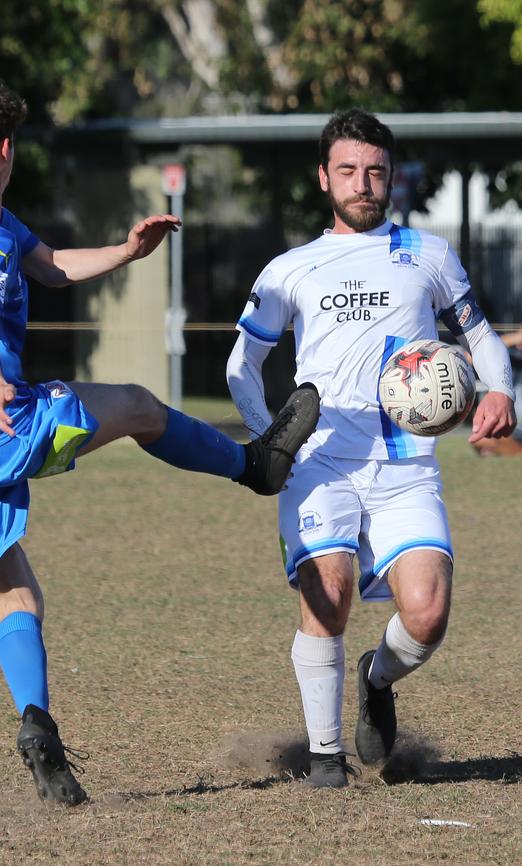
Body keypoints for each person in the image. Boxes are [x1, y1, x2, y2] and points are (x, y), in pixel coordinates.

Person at [0, 74, 321, 807]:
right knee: (140, 408)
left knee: (16, 593)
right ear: (9, 150)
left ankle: (39, 730)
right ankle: (256, 465)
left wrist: (122, 251)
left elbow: (44, 263)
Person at [226, 108, 516, 789]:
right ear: (325, 178)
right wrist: (269, 436)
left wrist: (499, 390)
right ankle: (326, 760)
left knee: (429, 613)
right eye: (349, 171)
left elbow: (479, 337)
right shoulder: (291, 268)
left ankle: (376, 677)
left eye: (375, 172)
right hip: (318, 460)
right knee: (328, 594)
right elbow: (243, 364)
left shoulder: (428, 253)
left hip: (405, 465)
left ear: (392, 179)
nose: (363, 184)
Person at [471, 327, 522, 456]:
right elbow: (470, 356)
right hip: (511, 431)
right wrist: (515, 338)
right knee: (480, 439)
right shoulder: (507, 356)